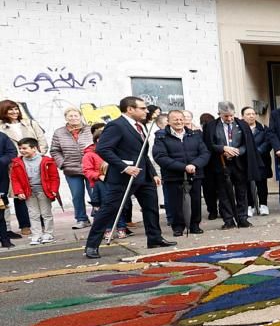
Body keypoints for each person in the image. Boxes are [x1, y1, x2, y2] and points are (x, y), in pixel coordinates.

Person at [84, 97, 175, 258]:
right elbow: (103, 149)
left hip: (144, 175)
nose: (146, 111)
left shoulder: (140, 126)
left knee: (151, 207)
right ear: (130, 109)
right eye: (142, 108)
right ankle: (92, 245)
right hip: (122, 177)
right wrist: (124, 167)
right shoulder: (116, 126)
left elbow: (142, 154)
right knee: (109, 210)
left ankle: (154, 238)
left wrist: (153, 173)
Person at [152, 110, 210, 236]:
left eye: (180, 119)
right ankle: (178, 227)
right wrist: (183, 167)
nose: (178, 122)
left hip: (194, 173)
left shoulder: (194, 135)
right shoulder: (161, 137)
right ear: (168, 121)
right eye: (175, 119)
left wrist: (194, 165)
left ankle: (195, 225)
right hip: (173, 175)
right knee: (175, 203)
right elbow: (160, 157)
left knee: (195, 200)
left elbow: (205, 153)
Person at [207, 102, 259, 228]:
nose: (229, 119)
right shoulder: (211, 126)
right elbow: (209, 144)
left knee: (242, 192)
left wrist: (237, 151)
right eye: (226, 116)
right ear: (219, 114)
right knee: (223, 193)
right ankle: (228, 220)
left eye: (231, 115)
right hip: (221, 164)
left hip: (239, 164)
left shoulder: (242, 125)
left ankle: (242, 218)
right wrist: (223, 148)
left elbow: (248, 144)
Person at [1, 99, 44, 236]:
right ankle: (25, 225)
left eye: (16, 109)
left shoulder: (30, 124)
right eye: (10, 110)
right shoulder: (1, 128)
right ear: (3, 111)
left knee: (38, 191)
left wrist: (38, 155)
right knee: (19, 194)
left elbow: (41, 140)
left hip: (34, 161)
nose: (14, 112)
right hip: (13, 164)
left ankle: (41, 222)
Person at [10, 137, 62, 245]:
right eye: (20, 148)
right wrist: (19, 191)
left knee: (46, 213)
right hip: (29, 192)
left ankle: (48, 233)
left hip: (44, 191)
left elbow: (54, 177)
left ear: (34, 148)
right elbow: (15, 179)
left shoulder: (46, 161)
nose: (22, 151)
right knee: (33, 214)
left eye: (25, 148)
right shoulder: (17, 163)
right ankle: (36, 235)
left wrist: (53, 190)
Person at [49, 108, 94, 230]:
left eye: (75, 115)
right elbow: (54, 150)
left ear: (80, 116)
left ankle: (99, 217)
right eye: (70, 116)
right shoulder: (59, 132)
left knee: (95, 194)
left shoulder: (90, 130)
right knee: (77, 195)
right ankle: (82, 219)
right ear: (66, 118)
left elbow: (98, 145)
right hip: (71, 170)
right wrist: (62, 164)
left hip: (91, 169)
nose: (73, 118)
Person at [242, 106, 272, 216]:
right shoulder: (239, 129)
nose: (251, 116)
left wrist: (257, 151)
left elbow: (268, 142)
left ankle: (263, 205)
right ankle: (250, 206)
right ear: (243, 116)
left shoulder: (263, 128)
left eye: (253, 114)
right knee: (247, 183)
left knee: (262, 183)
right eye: (248, 114)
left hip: (261, 159)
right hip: (245, 160)